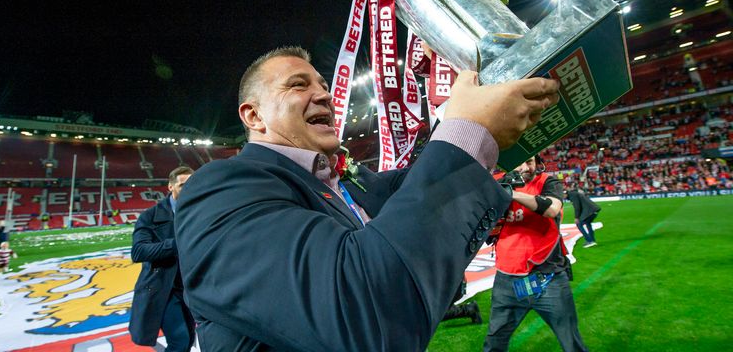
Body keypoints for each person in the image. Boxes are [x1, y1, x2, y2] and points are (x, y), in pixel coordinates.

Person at [174, 45, 560, 351]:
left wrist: (480, 99)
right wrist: (472, 130)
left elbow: (420, 184)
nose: (324, 96)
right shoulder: (219, 188)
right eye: (298, 85)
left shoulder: (341, 181)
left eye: (323, 86)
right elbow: (362, 314)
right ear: (254, 116)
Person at [483, 156, 588, 352]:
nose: (525, 167)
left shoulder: (547, 181)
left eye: (530, 161)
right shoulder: (496, 183)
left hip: (547, 278)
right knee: (494, 342)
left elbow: (552, 208)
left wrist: (512, 194)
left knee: (571, 342)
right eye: (520, 161)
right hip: (507, 278)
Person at [129, 166, 196, 352]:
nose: (188, 189)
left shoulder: (198, 213)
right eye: (183, 185)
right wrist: (176, 244)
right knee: (180, 339)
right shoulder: (150, 216)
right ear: (170, 187)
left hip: (191, 288)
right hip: (164, 288)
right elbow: (139, 252)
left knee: (189, 338)